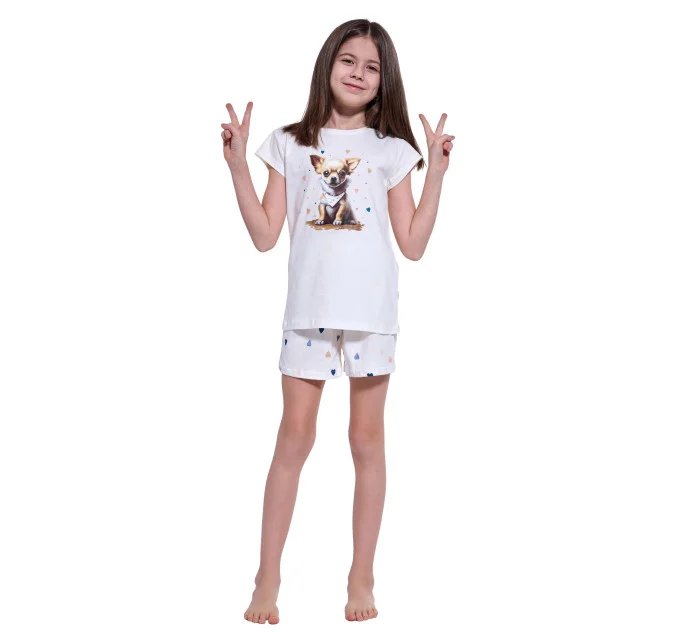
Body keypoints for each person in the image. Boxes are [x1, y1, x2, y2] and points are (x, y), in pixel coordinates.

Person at [221, 18, 454, 625]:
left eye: (372, 67)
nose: (358, 73)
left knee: (366, 441)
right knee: (293, 438)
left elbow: (413, 243)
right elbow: (265, 235)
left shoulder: (392, 151)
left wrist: (436, 175)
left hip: (371, 315)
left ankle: (361, 576)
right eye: (349, 60)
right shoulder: (288, 142)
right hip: (309, 313)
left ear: (384, 81)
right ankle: (267, 577)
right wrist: (238, 166)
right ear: (328, 63)